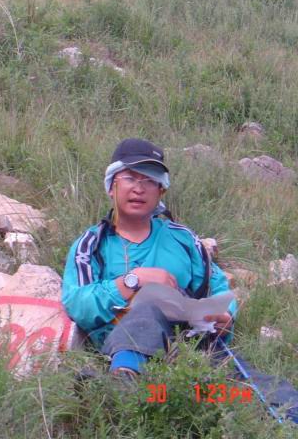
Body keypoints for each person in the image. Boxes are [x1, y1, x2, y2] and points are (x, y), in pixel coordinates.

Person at [61, 138, 237, 377]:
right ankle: (125, 375)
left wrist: (225, 316)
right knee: (149, 304)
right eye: (130, 178)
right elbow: (78, 304)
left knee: (265, 391)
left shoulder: (183, 239)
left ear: (161, 191)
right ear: (111, 186)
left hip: (189, 349)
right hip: (117, 348)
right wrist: (133, 280)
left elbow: (217, 286)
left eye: (150, 180)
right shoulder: (91, 244)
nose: (139, 188)